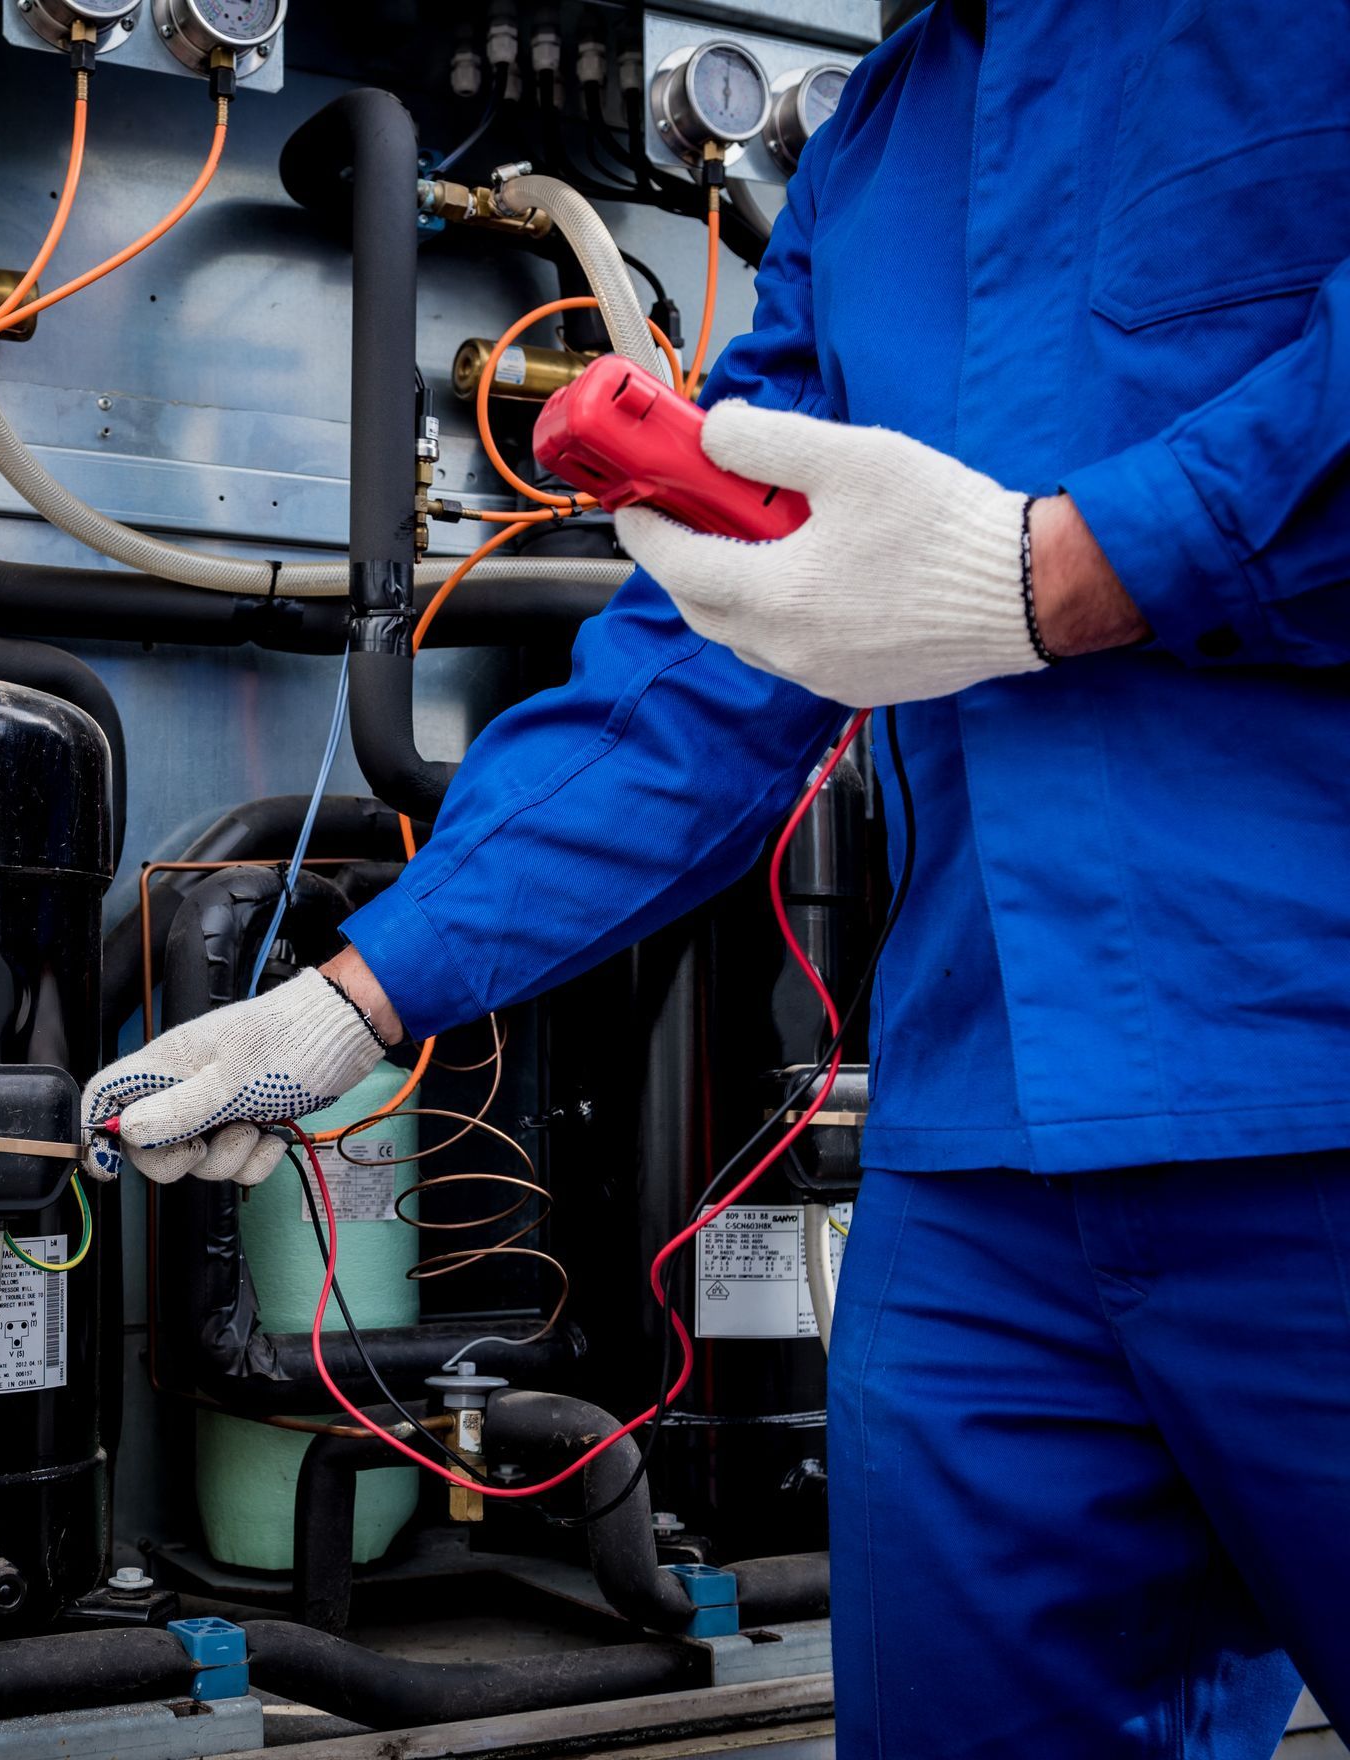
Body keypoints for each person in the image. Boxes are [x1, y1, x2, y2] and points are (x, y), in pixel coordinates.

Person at [84, 2, 1350, 1752]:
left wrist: (1073, 568)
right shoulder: (886, 142)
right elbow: (723, 636)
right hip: (989, 1171)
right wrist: (359, 994)